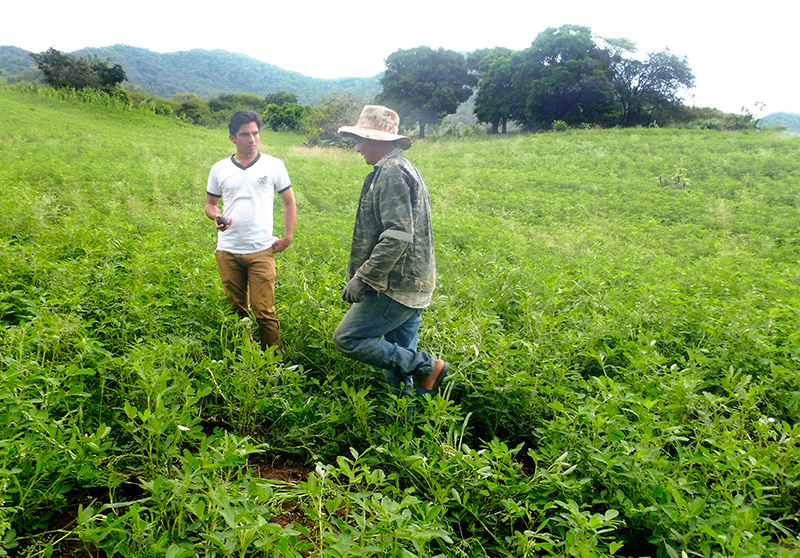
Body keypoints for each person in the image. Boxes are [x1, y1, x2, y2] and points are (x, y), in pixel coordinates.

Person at [333, 105, 449, 403]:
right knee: (399, 364)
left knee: (348, 338)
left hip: (395, 285)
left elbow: (397, 235)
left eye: (361, 140)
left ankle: (427, 367)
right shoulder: (400, 167)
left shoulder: (392, 172)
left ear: (377, 141)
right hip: (413, 282)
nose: (358, 148)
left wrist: (363, 277)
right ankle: (404, 429)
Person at [204, 111, 296, 350]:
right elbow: (210, 204)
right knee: (236, 311)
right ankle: (247, 357)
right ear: (232, 138)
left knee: (264, 311)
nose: (252, 139)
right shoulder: (220, 168)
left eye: (255, 133)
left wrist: (288, 236)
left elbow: (289, 202)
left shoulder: (274, 165)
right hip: (228, 250)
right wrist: (216, 216)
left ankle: (271, 362)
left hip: (261, 250)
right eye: (245, 134)